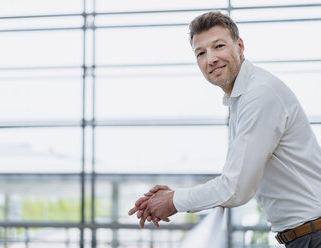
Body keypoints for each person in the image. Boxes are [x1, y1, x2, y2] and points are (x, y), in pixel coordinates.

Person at [128, 11, 321, 247]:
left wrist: (173, 200)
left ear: (239, 46)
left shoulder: (259, 95)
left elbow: (236, 188)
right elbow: (235, 177)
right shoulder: (242, 98)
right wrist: (172, 196)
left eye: (218, 46)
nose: (211, 59)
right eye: (201, 53)